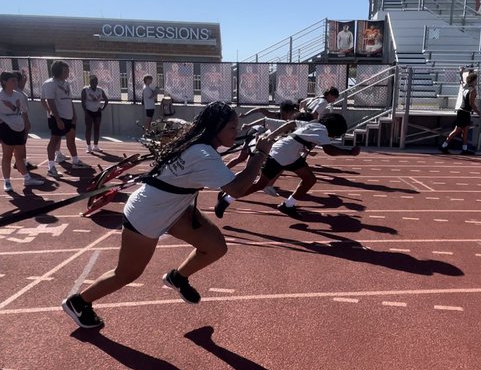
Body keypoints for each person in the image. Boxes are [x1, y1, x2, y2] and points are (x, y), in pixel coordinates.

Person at [61, 102, 278, 331]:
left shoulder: (198, 145)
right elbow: (236, 189)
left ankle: (178, 277)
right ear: (216, 128)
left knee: (215, 247)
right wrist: (260, 154)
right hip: (147, 214)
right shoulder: (203, 154)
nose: (237, 132)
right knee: (126, 274)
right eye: (232, 128)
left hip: (173, 208)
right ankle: (78, 303)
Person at [215, 112, 360, 221]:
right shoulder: (322, 130)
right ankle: (227, 199)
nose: (333, 136)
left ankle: (288, 205)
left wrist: (272, 136)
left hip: (291, 155)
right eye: (336, 134)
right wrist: (349, 152)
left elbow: (290, 124)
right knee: (261, 184)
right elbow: (329, 150)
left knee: (309, 179)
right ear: (334, 128)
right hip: (280, 154)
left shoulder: (313, 124)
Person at [226, 101, 299, 195]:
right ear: (286, 112)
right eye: (291, 113)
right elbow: (261, 111)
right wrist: (247, 119)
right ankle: (227, 175)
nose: (293, 115)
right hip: (255, 134)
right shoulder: (275, 116)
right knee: (245, 161)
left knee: (256, 165)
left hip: (263, 139)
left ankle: (263, 183)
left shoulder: (290, 121)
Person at [40, 60, 84, 178]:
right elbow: (49, 101)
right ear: (58, 71)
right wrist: (57, 118)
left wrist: (74, 114)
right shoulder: (50, 84)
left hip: (69, 116)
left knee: (71, 138)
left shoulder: (66, 83)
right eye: (65, 71)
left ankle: (75, 160)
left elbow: (69, 100)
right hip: (58, 116)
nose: (68, 73)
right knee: (55, 140)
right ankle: (51, 167)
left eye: (68, 70)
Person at [0, 71, 38, 192]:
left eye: (16, 80)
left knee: (20, 155)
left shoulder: (19, 95)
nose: (16, 82)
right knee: (7, 155)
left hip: (19, 126)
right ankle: (7, 181)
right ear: (4, 82)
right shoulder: (0, 96)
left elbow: (24, 111)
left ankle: (27, 178)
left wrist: (26, 124)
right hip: (5, 126)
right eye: (13, 80)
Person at [440, 70, 481, 155]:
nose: (477, 82)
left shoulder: (466, 87)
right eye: (476, 80)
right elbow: (471, 103)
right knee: (457, 130)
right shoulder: (472, 90)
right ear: (473, 81)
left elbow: (462, 82)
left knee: (465, 130)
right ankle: (444, 146)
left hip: (463, 111)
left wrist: (461, 73)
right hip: (464, 112)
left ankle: (464, 149)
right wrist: (479, 113)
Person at [13, 69, 37, 170]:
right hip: (19, 122)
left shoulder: (11, 92)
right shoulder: (19, 94)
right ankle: (22, 163)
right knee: (21, 143)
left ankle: (19, 162)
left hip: (14, 121)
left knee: (18, 144)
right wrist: (26, 122)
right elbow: (23, 111)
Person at [81, 76, 109, 154]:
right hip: (89, 111)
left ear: (97, 83)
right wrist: (85, 112)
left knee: (97, 128)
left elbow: (106, 100)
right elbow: (83, 102)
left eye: (95, 82)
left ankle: (95, 146)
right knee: (88, 128)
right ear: (89, 82)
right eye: (92, 82)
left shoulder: (100, 90)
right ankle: (88, 146)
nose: (93, 84)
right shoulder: (85, 90)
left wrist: (102, 108)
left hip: (97, 112)